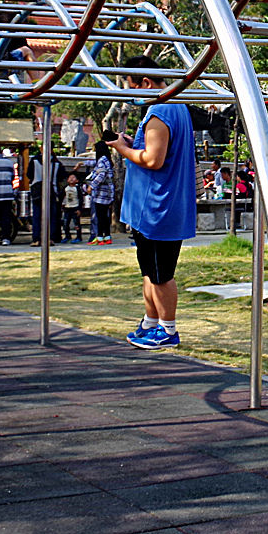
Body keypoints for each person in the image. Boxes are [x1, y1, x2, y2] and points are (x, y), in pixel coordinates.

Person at [109, 57, 195, 348]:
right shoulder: (177, 107)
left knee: (161, 275)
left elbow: (153, 159)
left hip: (158, 208)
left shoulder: (159, 111)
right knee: (150, 271)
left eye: (131, 89)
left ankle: (168, 329)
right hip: (151, 208)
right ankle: (151, 321)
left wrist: (122, 149)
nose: (132, 97)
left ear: (145, 83)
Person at [87, 140, 115, 245]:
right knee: (105, 216)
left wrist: (92, 185)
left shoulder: (101, 160)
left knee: (100, 215)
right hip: (108, 191)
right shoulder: (107, 159)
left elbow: (101, 174)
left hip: (101, 193)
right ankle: (107, 237)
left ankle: (99, 237)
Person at [60, 172, 83, 243]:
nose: (71, 179)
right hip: (67, 208)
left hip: (75, 207)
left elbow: (81, 199)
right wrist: (61, 205)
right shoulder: (66, 188)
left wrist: (79, 209)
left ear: (77, 180)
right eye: (70, 177)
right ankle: (67, 236)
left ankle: (78, 237)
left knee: (76, 223)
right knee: (66, 223)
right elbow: (61, 196)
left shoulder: (77, 188)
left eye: (73, 178)